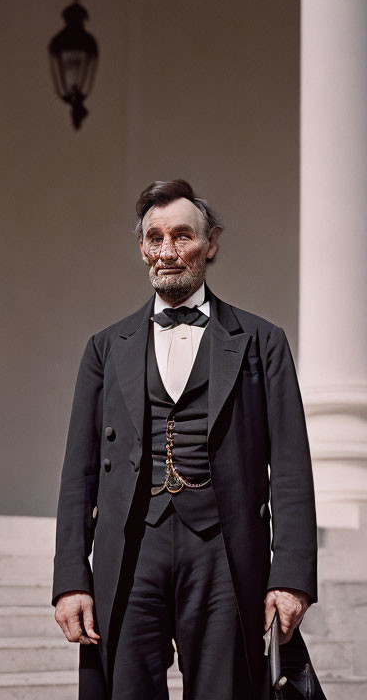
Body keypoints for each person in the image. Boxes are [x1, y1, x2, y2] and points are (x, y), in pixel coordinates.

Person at [52, 179, 323, 699]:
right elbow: (77, 474)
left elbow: (291, 467)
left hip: (223, 549)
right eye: (155, 238)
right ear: (142, 248)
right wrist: (70, 579)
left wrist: (290, 575)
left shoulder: (262, 342)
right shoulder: (105, 349)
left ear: (211, 243)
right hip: (131, 548)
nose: (167, 251)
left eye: (182, 236)